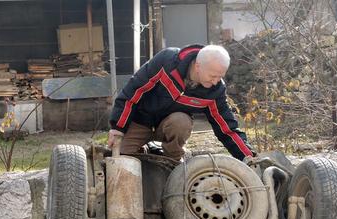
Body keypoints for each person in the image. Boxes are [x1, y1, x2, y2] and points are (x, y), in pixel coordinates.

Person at [107, 44, 255, 161]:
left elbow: (227, 128)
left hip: (172, 127)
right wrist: (118, 127)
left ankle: (173, 161)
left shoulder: (215, 91)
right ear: (198, 66)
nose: (216, 81)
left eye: (220, 76)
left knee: (181, 121)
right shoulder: (167, 61)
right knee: (121, 159)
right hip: (141, 121)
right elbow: (134, 90)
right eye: (213, 76)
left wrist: (248, 157)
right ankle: (144, 152)